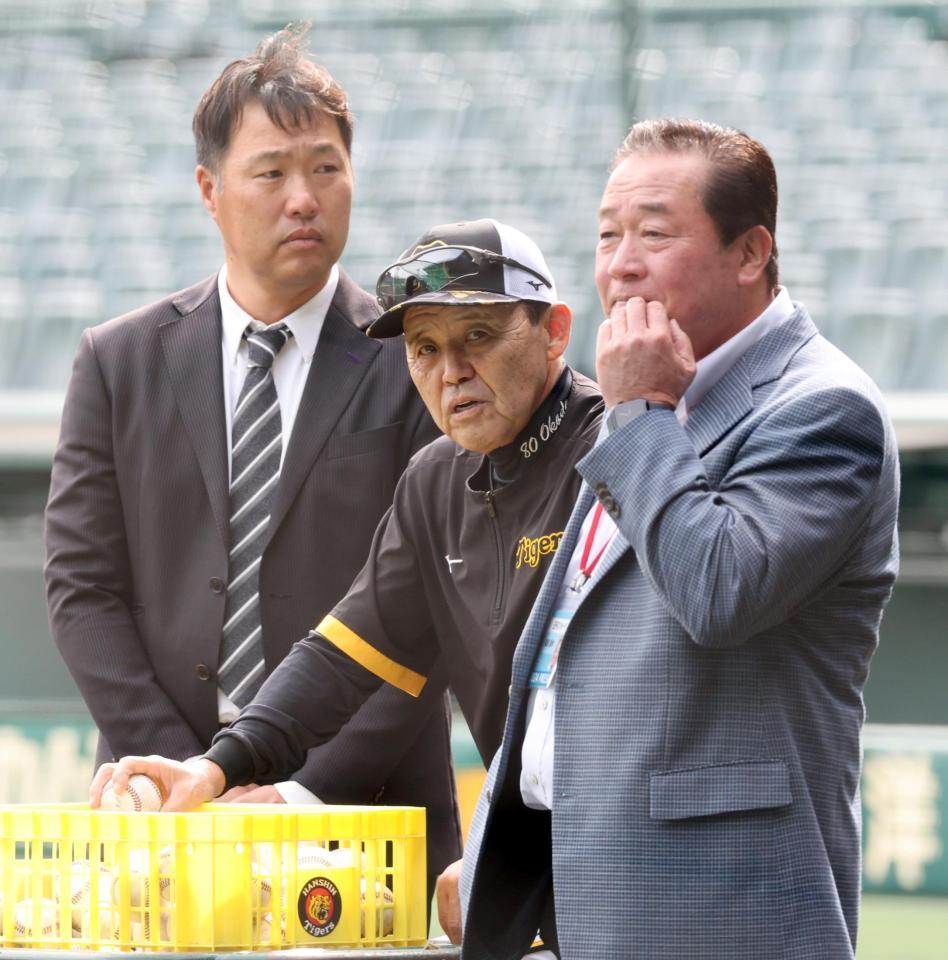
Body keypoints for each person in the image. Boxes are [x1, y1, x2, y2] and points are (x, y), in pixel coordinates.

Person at [90, 218, 602, 954]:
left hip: (631, 857)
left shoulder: (617, 452)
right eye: (425, 349)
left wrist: (518, 852)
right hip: (539, 870)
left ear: (554, 330)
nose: (450, 370)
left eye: (479, 338)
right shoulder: (436, 482)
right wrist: (214, 767)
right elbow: (340, 658)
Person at [456, 118, 901, 959]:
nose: (621, 262)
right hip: (580, 896)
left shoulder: (819, 408)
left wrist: (641, 415)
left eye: (655, 233)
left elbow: (718, 590)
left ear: (750, 253)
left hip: (721, 911)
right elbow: (562, 660)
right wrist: (494, 857)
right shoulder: (650, 403)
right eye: (607, 234)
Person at [44, 24, 461, 895]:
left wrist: (295, 792)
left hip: (362, 818)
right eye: (271, 172)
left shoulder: (425, 362)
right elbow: (82, 590)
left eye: (325, 168)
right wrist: (190, 775)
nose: (302, 197)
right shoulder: (117, 363)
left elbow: (431, 613)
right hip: (158, 815)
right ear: (210, 188)